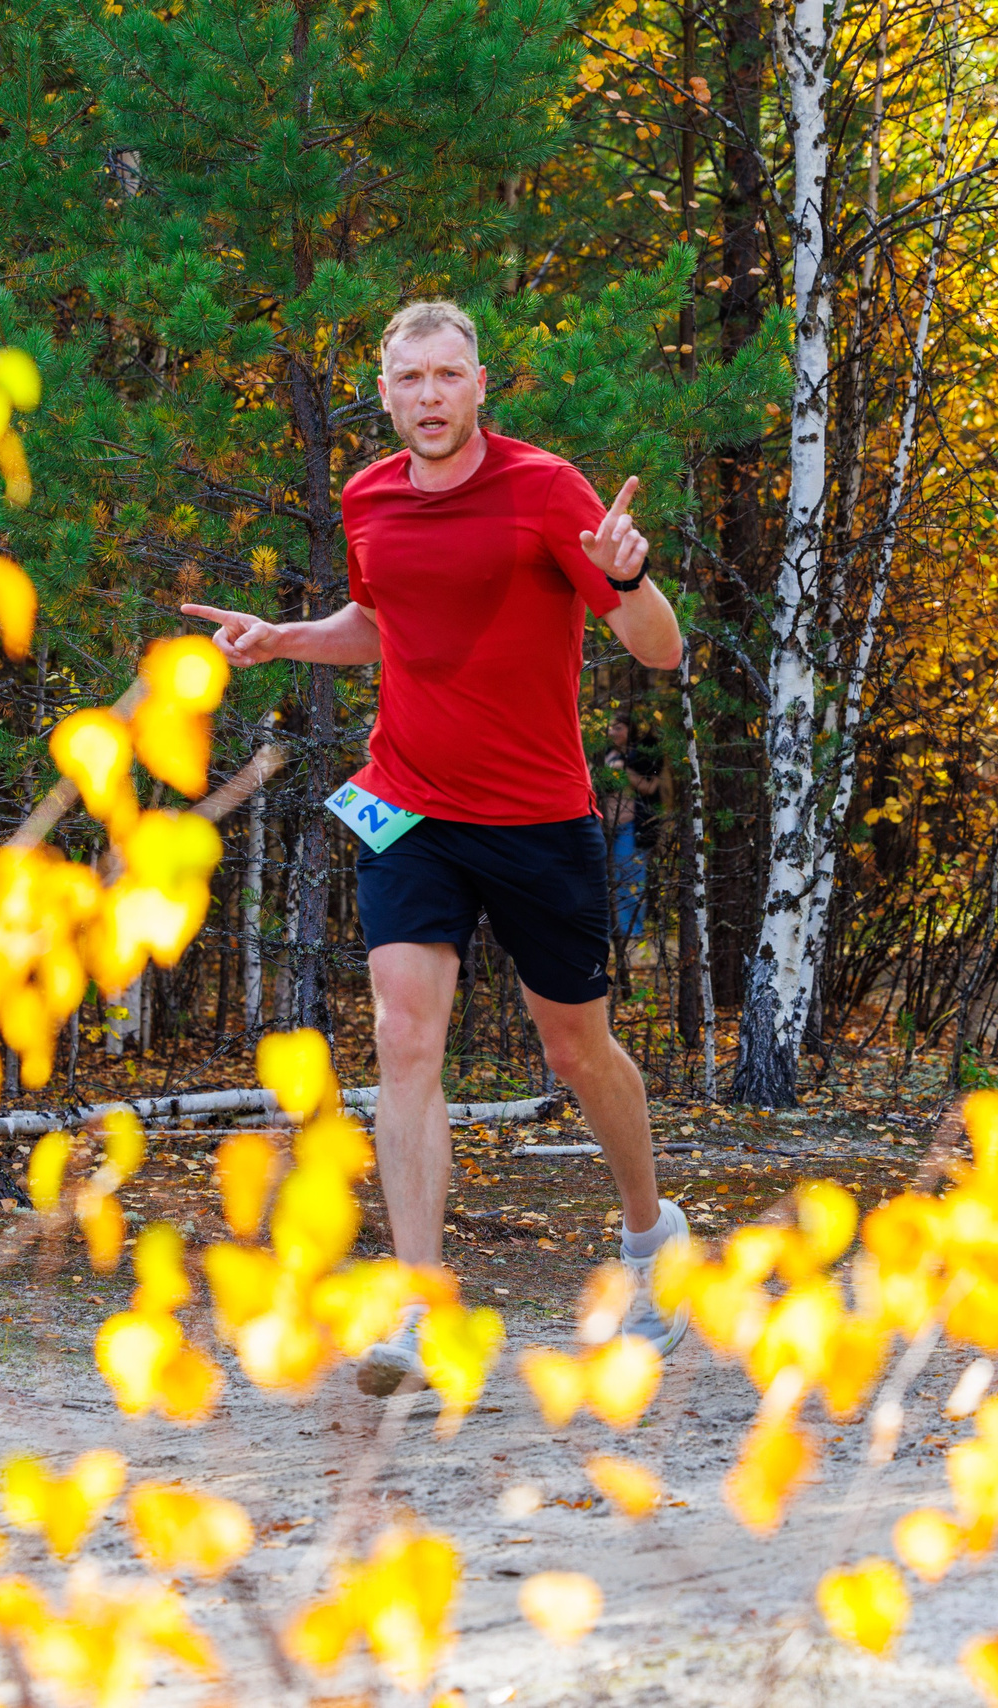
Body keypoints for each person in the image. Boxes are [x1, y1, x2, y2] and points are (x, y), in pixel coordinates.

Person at [183, 299, 692, 1396]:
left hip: (540, 816)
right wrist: (288, 640)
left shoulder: (548, 490)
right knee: (403, 1037)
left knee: (575, 1052)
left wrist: (629, 575)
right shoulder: (367, 497)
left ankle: (651, 1234)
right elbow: (381, 623)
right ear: (383, 389)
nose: (427, 396)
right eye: (408, 378)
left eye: (447, 376)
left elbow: (660, 650)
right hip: (409, 808)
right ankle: (421, 1307)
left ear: (478, 385)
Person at [595, 716, 663, 958]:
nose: (613, 732)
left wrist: (624, 770)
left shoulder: (645, 754)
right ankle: (608, 929)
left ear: (630, 729)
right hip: (602, 828)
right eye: (610, 727)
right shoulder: (603, 755)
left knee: (631, 877)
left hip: (633, 827)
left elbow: (650, 787)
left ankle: (631, 932)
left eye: (619, 727)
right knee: (605, 878)